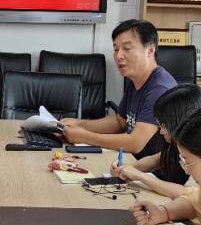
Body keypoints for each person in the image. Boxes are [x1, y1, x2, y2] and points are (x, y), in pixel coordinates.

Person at [60, 19, 176, 158]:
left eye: (127, 48)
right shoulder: (134, 79)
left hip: (150, 168)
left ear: (150, 50)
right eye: (116, 49)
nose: (118, 56)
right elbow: (120, 122)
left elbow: (135, 143)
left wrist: (84, 136)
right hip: (130, 161)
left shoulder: (159, 89)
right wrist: (78, 124)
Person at [110, 84, 201, 198]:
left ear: (181, 122)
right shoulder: (178, 145)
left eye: (164, 126)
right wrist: (126, 168)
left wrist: (139, 176)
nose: (161, 132)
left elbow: (190, 193)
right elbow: (157, 159)